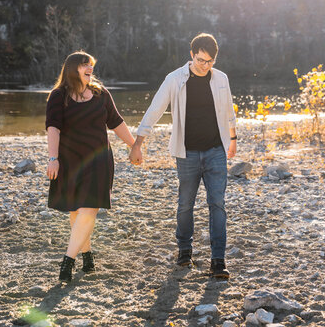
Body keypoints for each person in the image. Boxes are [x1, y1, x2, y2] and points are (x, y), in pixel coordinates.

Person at [129, 33, 237, 279]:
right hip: (186, 153)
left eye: (210, 61)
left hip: (216, 151)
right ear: (192, 55)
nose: (205, 65)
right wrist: (138, 143)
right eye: (201, 60)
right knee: (185, 204)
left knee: (217, 204)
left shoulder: (221, 79)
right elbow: (155, 109)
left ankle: (218, 260)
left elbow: (229, 110)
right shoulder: (175, 79)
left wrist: (233, 139)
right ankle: (185, 251)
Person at [46, 50, 135, 283]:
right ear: (72, 69)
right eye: (85, 65)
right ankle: (87, 255)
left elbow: (116, 122)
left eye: (91, 66)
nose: (90, 69)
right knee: (76, 210)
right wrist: (52, 158)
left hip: (99, 161)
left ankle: (68, 261)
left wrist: (134, 145)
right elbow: (53, 128)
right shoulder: (58, 96)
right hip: (70, 161)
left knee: (88, 209)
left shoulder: (100, 93)